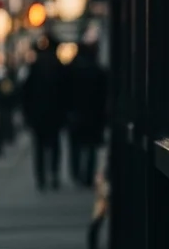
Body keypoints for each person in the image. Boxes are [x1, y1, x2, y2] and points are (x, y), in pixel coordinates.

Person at [21, 33, 66, 190]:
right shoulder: (59, 67)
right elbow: (66, 92)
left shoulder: (35, 68)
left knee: (40, 147)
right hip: (54, 113)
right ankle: (53, 174)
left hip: (39, 114)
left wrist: (27, 114)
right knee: (53, 145)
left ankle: (42, 177)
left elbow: (25, 93)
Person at [64, 38, 108, 187]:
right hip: (92, 115)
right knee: (90, 147)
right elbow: (103, 95)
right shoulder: (97, 70)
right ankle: (88, 176)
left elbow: (64, 93)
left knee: (75, 145)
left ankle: (77, 174)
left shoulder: (70, 70)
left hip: (75, 114)